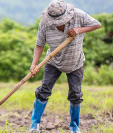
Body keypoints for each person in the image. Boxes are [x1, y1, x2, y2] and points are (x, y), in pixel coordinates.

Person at [29, 1, 101, 133]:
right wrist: (34, 64)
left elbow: (97, 24)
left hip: (75, 62)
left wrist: (79, 30)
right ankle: (34, 125)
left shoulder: (78, 15)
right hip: (53, 62)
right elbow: (39, 44)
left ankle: (74, 126)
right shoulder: (45, 23)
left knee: (75, 94)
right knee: (43, 91)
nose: (58, 24)